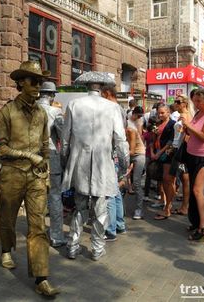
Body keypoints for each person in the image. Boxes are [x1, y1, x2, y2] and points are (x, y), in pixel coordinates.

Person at [0, 61, 59, 297]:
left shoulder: (41, 112)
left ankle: (41, 278)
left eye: (40, 81)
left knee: (38, 226)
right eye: (33, 80)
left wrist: (46, 170)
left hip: (36, 177)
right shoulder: (7, 111)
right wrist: (28, 155)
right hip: (12, 174)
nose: (38, 85)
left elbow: (44, 145)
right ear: (21, 82)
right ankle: (6, 249)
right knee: (7, 218)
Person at [61, 73, 129, 262]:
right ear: (102, 88)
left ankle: (73, 246)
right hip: (102, 163)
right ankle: (97, 248)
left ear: (87, 86)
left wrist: (66, 162)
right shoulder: (113, 107)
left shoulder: (75, 104)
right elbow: (121, 140)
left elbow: (65, 140)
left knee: (79, 206)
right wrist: (124, 165)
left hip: (80, 162)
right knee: (100, 207)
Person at [180, 88, 204, 240]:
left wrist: (188, 126)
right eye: (194, 101)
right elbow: (193, 133)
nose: (196, 104)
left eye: (199, 101)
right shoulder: (198, 113)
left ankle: (203, 227)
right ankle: (196, 222)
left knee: (197, 191)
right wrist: (185, 130)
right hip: (192, 156)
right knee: (194, 191)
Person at [37, 81, 66, 247]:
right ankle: (56, 236)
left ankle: (36, 233)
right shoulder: (56, 112)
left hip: (32, 157)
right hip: (52, 156)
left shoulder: (28, 110)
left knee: (35, 196)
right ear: (52, 95)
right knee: (55, 196)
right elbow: (64, 138)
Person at [101, 84, 128, 241]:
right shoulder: (120, 108)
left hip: (112, 153)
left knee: (109, 193)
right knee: (116, 191)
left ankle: (111, 229)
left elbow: (117, 135)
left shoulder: (112, 107)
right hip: (117, 152)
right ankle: (119, 224)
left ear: (106, 93)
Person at [167, 94, 193, 216]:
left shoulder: (185, 116)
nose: (175, 104)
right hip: (179, 148)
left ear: (184, 103)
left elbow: (187, 134)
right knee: (184, 179)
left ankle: (170, 206)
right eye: (175, 101)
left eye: (178, 101)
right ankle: (184, 206)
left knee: (172, 178)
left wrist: (179, 148)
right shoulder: (185, 115)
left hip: (180, 150)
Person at [151, 105, 175, 220]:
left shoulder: (172, 124)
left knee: (168, 180)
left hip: (168, 155)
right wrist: (153, 151)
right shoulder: (157, 123)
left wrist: (159, 153)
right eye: (158, 113)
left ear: (168, 113)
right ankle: (166, 203)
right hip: (159, 154)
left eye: (162, 113)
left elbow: (170, 142)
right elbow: (154, 139)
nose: (160, 115)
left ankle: (168, 206)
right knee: (163, 180)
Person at [127, 106, 146, 220]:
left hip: (138, 154)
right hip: (129, 153)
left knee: (137, 183)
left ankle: (139, 209)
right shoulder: (126, 125)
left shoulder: (131, 129)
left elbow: (132, 150)